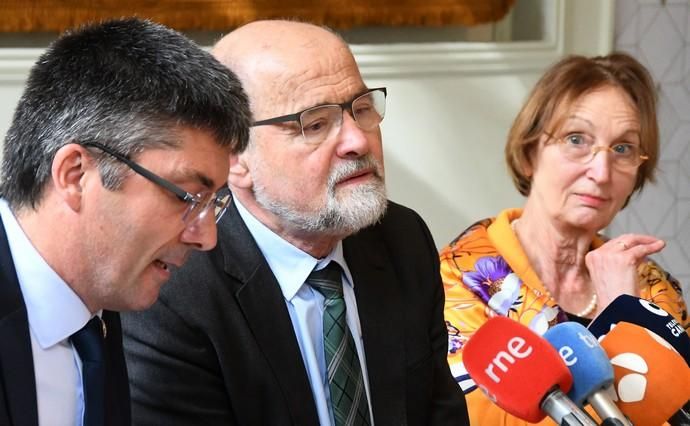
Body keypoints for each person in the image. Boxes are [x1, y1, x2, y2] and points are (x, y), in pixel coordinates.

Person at [121, 19, 469, 425]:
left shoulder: (400, 239)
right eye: (315, 124)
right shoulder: (173, 292)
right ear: (233, 159)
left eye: (361, 108)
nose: (358, 140)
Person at [0, 18, 250, 426]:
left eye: (213, 203)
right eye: (185, 196)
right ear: (75, 175)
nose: (206, 237)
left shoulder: (103, 301)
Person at [440, 52, 689, 425]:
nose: (601, 172)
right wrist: (618, 328)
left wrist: (625, 307)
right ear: (529, 153)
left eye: (623, 148)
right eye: (577, 139)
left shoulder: (652, 288)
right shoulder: (459, 279)